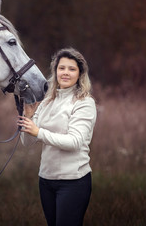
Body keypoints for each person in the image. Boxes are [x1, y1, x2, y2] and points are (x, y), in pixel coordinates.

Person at [17, 47, 97, 226]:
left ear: (80, 74)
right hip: (46, 180)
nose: (65, 73)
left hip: (73, 182)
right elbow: (27, 141)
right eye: (62, 68)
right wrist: (28, 117)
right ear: (55, 71)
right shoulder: (47, 101)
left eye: (72, 69)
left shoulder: (84, 102)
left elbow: (74, 142)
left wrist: (39, 132)